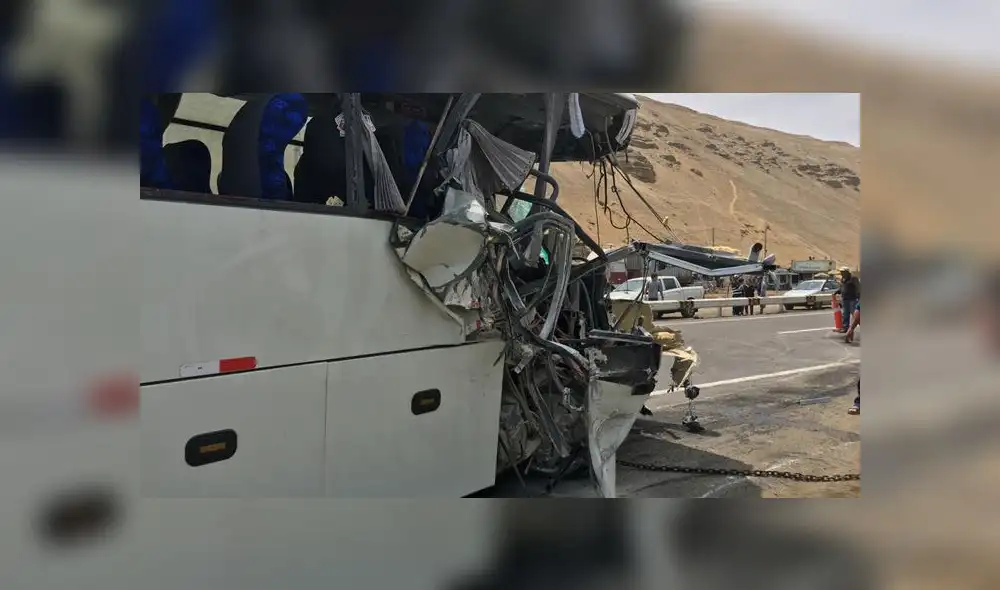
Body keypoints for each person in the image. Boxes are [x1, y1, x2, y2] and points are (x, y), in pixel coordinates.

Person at [835, 267, 860, 333]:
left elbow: (858, 287)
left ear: (847, 272)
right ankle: (845, 327)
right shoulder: (843, 279)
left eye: (843, 272)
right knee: (845, 314)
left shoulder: (853, 278)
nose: (841, 273)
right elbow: (842, 287)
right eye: (841, 272)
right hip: (845, 299)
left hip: (852, 298)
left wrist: (859, 296)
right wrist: (838, 291)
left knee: (854, 313)